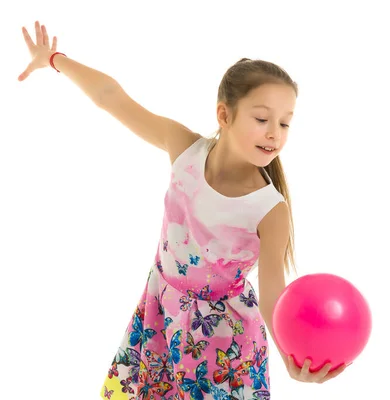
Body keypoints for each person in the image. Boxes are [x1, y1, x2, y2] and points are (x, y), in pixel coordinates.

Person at [19, 21, 349, 400]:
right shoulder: (186, 150)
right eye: (262, 119)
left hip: (223, 340)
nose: (275, 132)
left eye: (285, 123)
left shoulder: (270, 209)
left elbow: (275, 290)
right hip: (162, 310)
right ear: (224, 115)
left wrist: (291, 354)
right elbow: (112, 96)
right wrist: (54, 60)